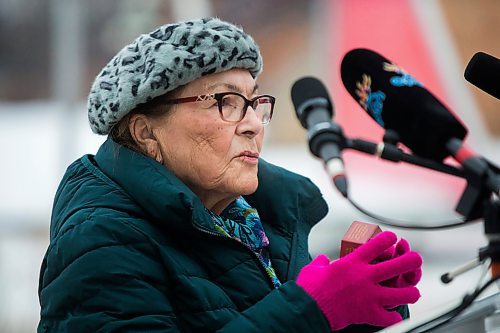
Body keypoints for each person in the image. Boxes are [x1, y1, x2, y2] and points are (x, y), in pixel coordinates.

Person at [38, 17, 422, 333]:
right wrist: (312, 310)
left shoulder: (253, 222)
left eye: (255, 101)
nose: (254, 124)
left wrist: (362, 306)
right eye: (227, 102)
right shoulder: (99, 242)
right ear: (146, 132)